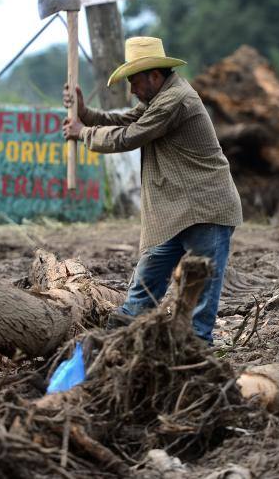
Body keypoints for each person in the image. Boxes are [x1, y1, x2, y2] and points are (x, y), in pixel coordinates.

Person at [62, 36, 242, 345]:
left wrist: (84, 133)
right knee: (146, 282)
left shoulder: (176, 100)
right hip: (174, 211)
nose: (132, 90)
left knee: (201, 291)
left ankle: (197, 353)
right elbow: (124, 119)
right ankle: (120, 340)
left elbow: (129, 136)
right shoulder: (158, 99)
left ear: (154, 76)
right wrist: (85, 113)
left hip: (205, 206)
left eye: (134, 82)